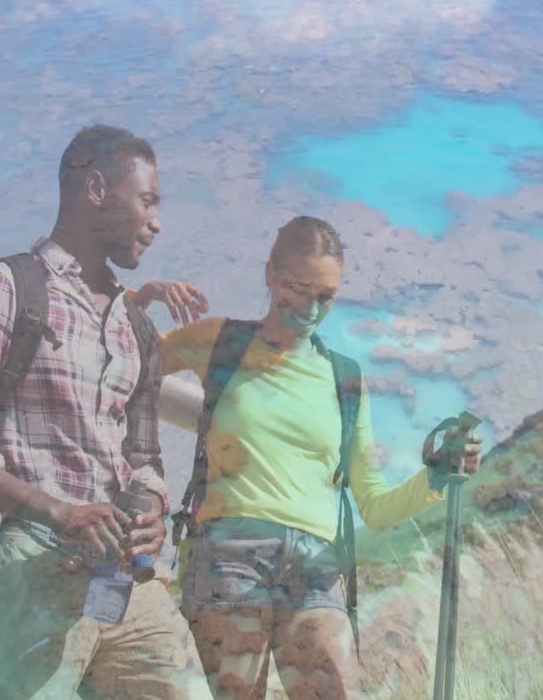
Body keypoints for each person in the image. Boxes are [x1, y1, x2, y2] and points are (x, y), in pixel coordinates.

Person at [0, 124, 211, 699]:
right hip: (25, 566)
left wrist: (148, 505)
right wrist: (55, 511)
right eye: (147, 201)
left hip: (125, 578)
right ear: (96, 189)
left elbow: (142, 455)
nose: (158, 222)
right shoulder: (3, 289)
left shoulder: (137, 327)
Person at [136, 215, 484, 700]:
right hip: (229, 559)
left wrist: (437, 476)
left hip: (317, 569)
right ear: (269, 273)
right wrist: (140, 299)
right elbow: (112, 361)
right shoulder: (220, 341)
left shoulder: (345, 378)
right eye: (297, 288)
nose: (310, 308)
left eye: (326, 297)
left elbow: (375, 506)